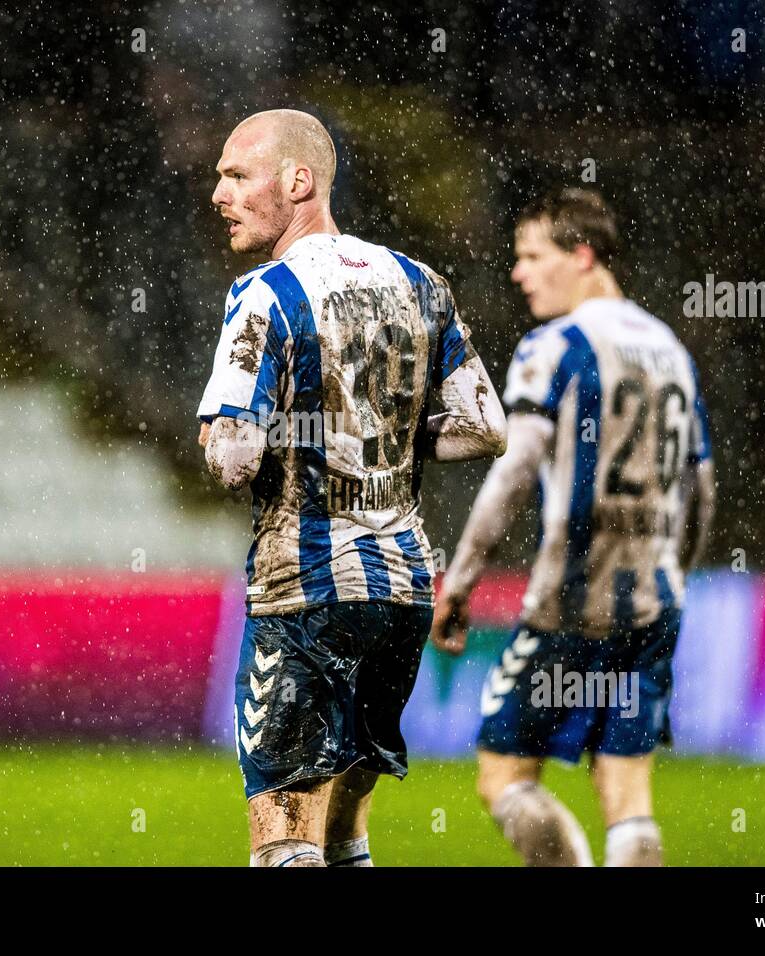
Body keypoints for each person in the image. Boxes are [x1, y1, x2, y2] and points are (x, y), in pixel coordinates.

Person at [196, 109, 507, 867]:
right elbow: (486, 424)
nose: (218, 193)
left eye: (237, 175)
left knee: (284, 842)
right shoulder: (419, 281)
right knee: (345, 839)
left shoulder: (264, 295)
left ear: (298, 181)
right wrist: (382, 439)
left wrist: (226, 436)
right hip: (401, 591)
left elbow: (233, 458)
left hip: (307, 590)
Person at [432, 188, 716, 866]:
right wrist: (679, 575)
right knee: (627, 789)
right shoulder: (671, 349)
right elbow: (701, 488)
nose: (518, 273)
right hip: (655, 603)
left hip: (571, 605)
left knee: (503, 775)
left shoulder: (554, 346)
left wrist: (462, 582)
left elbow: (512, 472)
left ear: (582, 255)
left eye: (532, 256)